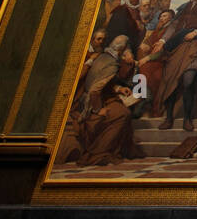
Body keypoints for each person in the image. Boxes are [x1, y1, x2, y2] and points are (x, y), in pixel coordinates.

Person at [58, 34, 144, 167]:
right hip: (91, 103)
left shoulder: (104, 56)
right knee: (123, 114)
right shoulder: (112, 64)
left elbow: (103, 81)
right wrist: (99, 110)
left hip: (100, 97)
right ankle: (98, 153)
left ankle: (121, 150)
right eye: (127, 50)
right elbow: (95, 90)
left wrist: (119, 88)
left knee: (122, 109)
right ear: (122, 50)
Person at [155, 0, 197, 130]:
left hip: (195, 46)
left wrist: (195, 32)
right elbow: (174, 26)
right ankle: (169, 118)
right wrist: (162, 40)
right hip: (179, 46)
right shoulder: (184, 8)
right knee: (171, 80)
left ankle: (187, 119)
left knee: (188, 80)